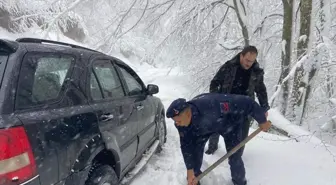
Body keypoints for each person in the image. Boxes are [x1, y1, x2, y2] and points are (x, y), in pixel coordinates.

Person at [166, 93, 272, 185]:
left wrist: (262, 120)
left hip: (229, 124)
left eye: (178, 120)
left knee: (234, 156)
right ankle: (194, 179)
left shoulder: (214, 105)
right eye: (175, 121)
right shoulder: (181, 124)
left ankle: (239, 182)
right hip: (201, 130)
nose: (176, 124)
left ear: (188, 114)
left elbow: (248, 102)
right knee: (194, 154)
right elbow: (186, 146)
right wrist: (190, 169)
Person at [206, 46, 270, 155]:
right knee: (215, 127)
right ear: (241, 56)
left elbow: (261, 90)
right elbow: (215, 83)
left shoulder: (256, 72)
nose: (248, 63)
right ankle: (212, 148)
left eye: (252, 61)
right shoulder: (229, 67)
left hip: (245, 108)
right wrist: (216, 98)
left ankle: (237, 155)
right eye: (247, 60)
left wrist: (264, 108)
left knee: (242, 136)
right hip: (225, 104)